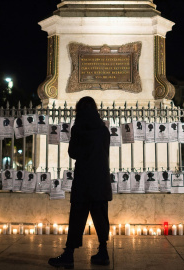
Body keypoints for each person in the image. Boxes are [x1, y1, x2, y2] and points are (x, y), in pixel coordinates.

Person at [48, 96, 112, 268]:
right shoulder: (104, 130)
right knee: (100, 217)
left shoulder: (78, 129)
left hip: (84, 180)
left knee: (77, 218)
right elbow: (105, 151)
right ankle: (104, 252)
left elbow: (73, 153)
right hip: (100, 180)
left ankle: (69, 254)